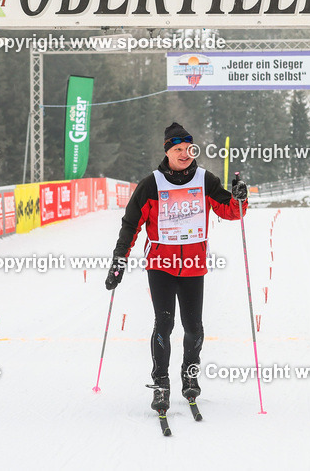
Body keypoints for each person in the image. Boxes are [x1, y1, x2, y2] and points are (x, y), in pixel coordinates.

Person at [105, 122, 248, 414]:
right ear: (167, 151)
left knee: (194, 327)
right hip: (161, 264)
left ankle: (190, 376)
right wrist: (119, 260)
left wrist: (240, 197)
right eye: (177, 149)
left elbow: (231, 211)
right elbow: (131, 224)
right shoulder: (151, 184)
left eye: (188, 149)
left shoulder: (205, 180)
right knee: (165, 323)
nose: (184, 154)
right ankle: (161, 383)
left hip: (194, 265)